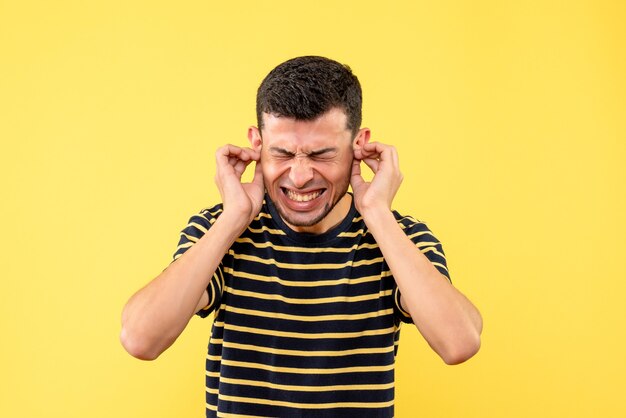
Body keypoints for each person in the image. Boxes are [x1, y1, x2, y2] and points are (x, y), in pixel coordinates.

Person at [120, 56, 482, 417]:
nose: (299, 176)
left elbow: (459, 343)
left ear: (359, 145)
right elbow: (141, 339)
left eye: (322, 154)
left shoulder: (399, 238)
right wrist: (233, 219)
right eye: (282, 153)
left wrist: (377, 214)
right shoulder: (219, 230)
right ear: (256, 143)